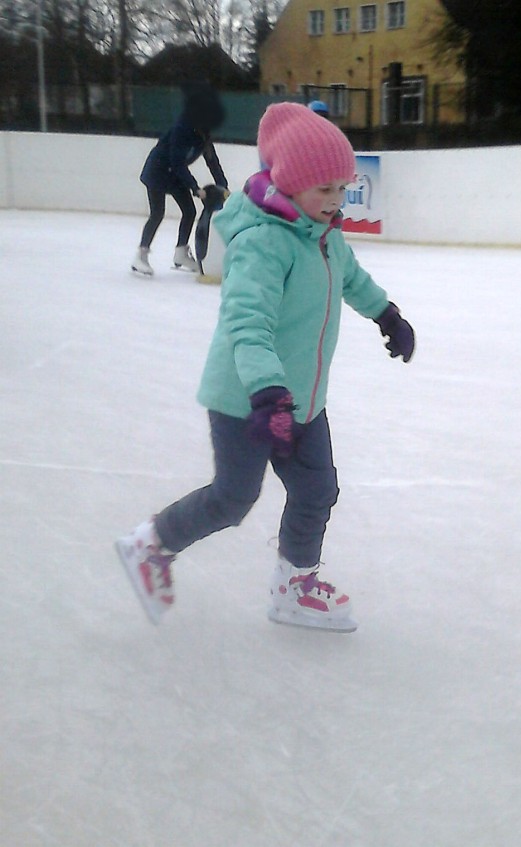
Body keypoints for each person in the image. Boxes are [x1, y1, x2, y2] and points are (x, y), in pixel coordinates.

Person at [116, 102, 415, 633]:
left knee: (317, 489)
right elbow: (246, 323)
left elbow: (350, 277)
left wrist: (386, 314)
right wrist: (267, 392)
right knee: (233, 499)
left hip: (303, 397)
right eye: (324, 189)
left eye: (342, 188)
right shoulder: (263, 241)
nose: (336, 200)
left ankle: (293, 587)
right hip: (246, 399)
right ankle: (151, 544)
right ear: (292, 183)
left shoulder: (324, 230)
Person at [131, 82, 229, 276]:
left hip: (175, 174)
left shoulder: (204, 134)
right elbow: (177, 162)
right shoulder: (182, 128)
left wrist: (223, 186)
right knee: (157, 213)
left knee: (189, 212)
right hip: (158, 171)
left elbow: (212, 161)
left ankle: (181, 254)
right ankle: (140, 256)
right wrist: (195, 188)